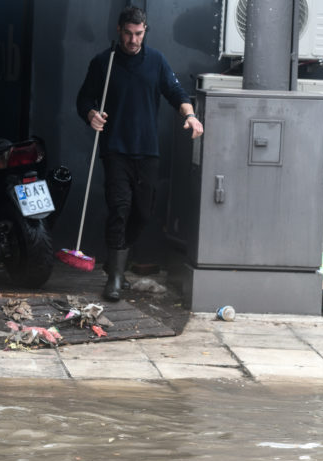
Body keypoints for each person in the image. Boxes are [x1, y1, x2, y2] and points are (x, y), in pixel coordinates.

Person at [76, 6, 204, 302]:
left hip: (147, 150)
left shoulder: (156, 61)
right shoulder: (103, 63)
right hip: (115, 148)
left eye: (138, 34)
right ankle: (116, 278)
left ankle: (115, 259)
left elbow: (177, 93)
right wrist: (90, 114)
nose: (133, 40)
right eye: (128, 34)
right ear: (119, 31)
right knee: (119, 208)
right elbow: (83, 98)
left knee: (143, 212)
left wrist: (191, 115)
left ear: (145, 31)